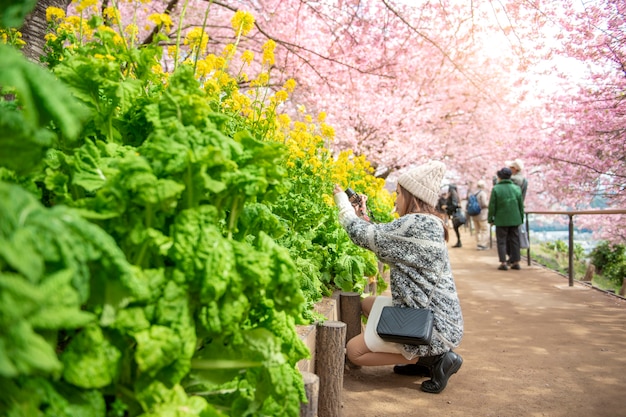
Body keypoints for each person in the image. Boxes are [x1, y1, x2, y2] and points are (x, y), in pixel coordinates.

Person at [333, 160, 464, 394]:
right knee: (366, 305)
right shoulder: (427, 222)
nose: (395, 199)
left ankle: (432, 360)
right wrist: (363, 215)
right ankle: (423, 357)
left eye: (398, 193)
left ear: (411, 196)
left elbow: (362, 236)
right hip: (437, 315)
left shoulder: (414, 224)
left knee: (355, 352)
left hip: (433, 326)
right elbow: (385, 243)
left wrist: (342, 205)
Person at [488, 167, 524, 270]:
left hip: (501, 219)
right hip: (515, 219)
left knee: (501, 241)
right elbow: (520, 206)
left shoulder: (496, 189)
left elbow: (492, 206)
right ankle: (516, 262)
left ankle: (503, 262)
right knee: (515, 240)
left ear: (499, 177)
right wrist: (521, 218)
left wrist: (491, 218)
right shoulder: (516, 188)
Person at [469, 180, 490, 250]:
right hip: (482, 215)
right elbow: (484, 203)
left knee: (477, 230)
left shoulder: (473, 193)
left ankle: (478, 243)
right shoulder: (482, 193)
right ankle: (482, 244)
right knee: (484, 229)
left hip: (474, 214)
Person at [444, 183, 462, 248]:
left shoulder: (452, 194)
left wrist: (446, 207)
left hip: (454, 214)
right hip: (456, 214)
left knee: (456, 228)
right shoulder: (456, 194)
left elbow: (454, 206)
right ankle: (459, 241)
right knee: (456, 228)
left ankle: (459, 242)